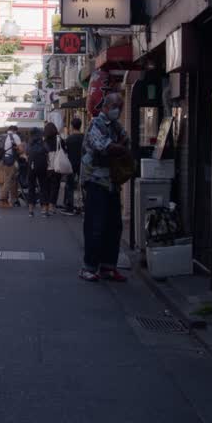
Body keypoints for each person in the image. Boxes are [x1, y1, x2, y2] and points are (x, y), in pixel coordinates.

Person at [79, 93, 131, 283]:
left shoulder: (116, 126)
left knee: (114, 227)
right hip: (96, 181)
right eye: (115, 106)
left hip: (112, 183)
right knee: (95, 226)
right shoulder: (96, 124)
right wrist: (119, 148)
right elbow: (104, 147)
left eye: (121, 106)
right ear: (106, 107)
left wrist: (118, 147)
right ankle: (89, 267)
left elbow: (126, 142)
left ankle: (108, 267)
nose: (118, 110)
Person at [25, 127, 54, 217]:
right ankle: (44, 210)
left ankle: (30, 210)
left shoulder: (29, 143)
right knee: (43, 187)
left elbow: (27, 152)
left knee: (31, 187)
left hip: (31, 166)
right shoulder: (43, 143)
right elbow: (48, 151)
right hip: (42, 166)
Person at [0, 125, 23, 208]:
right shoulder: (15, 136)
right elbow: (21, 149)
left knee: (8, 180)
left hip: (1, 161)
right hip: (10, 161)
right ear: (15, 131)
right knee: (8, 181)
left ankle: (12, 200)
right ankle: (2, 201)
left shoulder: (2, 136)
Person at [61, 117, 85, 215]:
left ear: (72, 126)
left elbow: (65, 151)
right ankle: (84, 206)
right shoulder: (84, 137)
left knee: (69, 185)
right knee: (84, 185)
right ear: (80, 126)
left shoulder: (69, 139)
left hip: (71, 164)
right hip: (83, 163)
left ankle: (69, 206)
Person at [41, 121, 63, 216]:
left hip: (46, 166)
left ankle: (44, 207)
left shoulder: (44, 141)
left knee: (45, 187)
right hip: (57, 165)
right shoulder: (59, 139)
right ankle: (52, 206)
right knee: (55, 186)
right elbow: (65, 150)